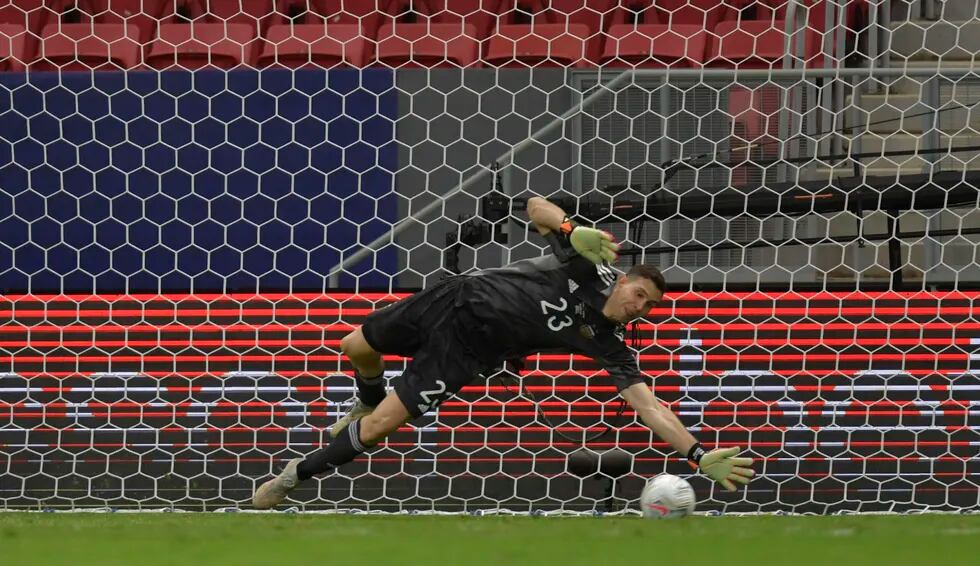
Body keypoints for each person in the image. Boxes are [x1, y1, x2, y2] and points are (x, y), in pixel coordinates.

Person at [252, 196, 755, 508]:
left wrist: (697, 452)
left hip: (469, 350)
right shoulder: (586, 265)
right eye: (638, 295)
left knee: (384, 426)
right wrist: (570, 229)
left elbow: (649, 406)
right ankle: (365, 395)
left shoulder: (609, 343)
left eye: (648, 306)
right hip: (451, 299)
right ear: (623, 281)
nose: (638, 307)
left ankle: (292, 477)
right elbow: (535, 206)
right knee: (354, 346)